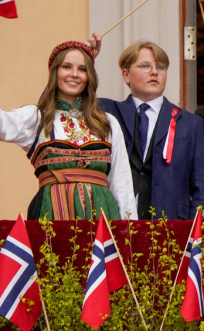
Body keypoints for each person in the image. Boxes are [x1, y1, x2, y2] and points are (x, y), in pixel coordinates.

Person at [0, 40, 137, 220]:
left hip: (103, 217)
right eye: (66, 67)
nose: (74, 74)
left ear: (90, 76)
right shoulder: (37, 118)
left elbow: (122, 183)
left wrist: (131, 234)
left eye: (82, 69)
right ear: (55, 72)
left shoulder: (107, 123)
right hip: (51, 216)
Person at [99, 41, 204, 220]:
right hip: (116, 225)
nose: (154, 72)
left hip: (172, 230)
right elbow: (62, 96)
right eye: (145, 65)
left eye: (161, 67)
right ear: (126, 74)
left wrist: (195, 238)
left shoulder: (192, 124)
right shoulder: (106, 112)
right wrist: (85, 57)